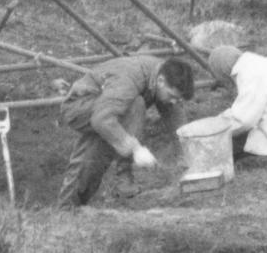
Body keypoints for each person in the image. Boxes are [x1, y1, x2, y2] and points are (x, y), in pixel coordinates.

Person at [55, 54, 196, 209]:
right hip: (79, 106)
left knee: (96, 153)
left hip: (107, 106)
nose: (173, 101)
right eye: (172, 96)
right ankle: (122, 177)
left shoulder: (162, 77)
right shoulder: (130, 79)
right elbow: (102, 119)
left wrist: (189, 156)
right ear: (161, 81)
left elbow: (176, 120)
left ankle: (71, 206)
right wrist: (135, 149)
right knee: (135, 106)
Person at [204, 45, 267, 157]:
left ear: (223, 71)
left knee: (221, 147)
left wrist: (214, 129)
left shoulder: (250, 72)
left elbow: (243, 120)